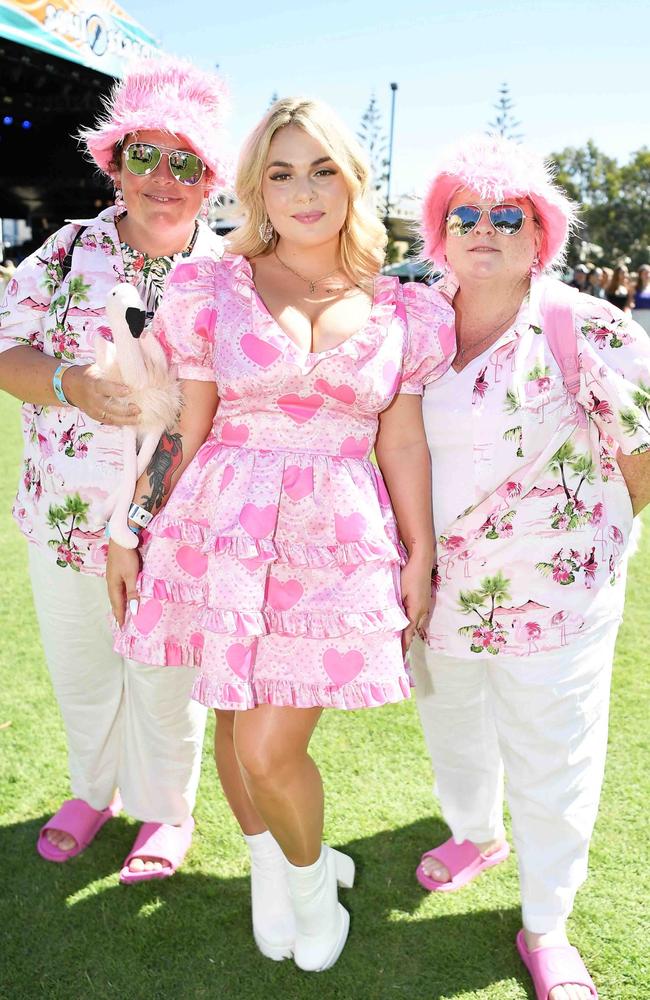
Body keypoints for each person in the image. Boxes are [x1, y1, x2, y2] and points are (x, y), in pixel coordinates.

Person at [107, 97, 445, 969]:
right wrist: (128, 524)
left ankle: (307, 882)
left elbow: (400, 437)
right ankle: (284, 870)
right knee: (233, 715)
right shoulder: (213, 284)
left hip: (334, 537)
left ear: (352, 179)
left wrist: (422, 551)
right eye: (281, 172)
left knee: (268, 741)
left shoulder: (402, 306)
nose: (303, 191)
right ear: (258, 186)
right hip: (223, 524)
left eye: (321, 169)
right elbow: (186, 422)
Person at [410, 134, 650, 1000]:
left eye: (506, 214)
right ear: (439, 233)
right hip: (437, 593)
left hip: (560, 595)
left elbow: (642, 451)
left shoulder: (582, 323)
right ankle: (474, 832)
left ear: (539, 232)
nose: (482, 229)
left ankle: (546, 920)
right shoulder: (415, 320)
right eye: (461, 215)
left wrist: (592, 541)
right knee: (454, 725)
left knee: (554, 756)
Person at [0, 58, 230, 880]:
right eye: (144, 156)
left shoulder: (235, 277)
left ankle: (165, 811)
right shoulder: (64, 251)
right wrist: (73, 387)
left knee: (166, 679)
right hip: (63, 514)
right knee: (83, 665)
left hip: (180, 527)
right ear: (115, 162)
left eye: (185, 162)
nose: (162, 179)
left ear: (209, 180)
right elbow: (3, 348)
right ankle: (93, 791)